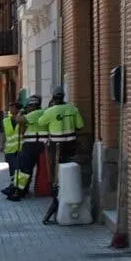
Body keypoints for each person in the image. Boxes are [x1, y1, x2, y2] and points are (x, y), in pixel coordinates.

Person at [38, 88, 85, 225]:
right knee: (71, 171)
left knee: (56, 174)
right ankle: (69, 190)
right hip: (71, 145)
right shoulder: (72, 109)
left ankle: (57, 195)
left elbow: (41, 122)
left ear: (53, 98)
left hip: (56, 147)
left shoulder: (50, 111)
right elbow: (80, 125)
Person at [8, 95, 46, 201]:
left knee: (25, 169)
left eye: (28, 106)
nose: (27, 109)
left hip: (32, 145)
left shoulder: (36, 113)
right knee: (27, 169)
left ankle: (20, 191)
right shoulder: (38, 114)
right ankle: (22, 189)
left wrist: (21, 112)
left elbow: (18, 119)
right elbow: (23, 131)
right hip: (37, 144)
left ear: (33, 106)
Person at [0, 101, 23, 197]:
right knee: (12, 169)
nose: (11, 110)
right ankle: (13, 186)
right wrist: (2, 145)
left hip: (19, 148)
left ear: (18, 109)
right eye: (10, 108)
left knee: (18, 169)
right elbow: (4, 134)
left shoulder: (22, 119)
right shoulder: (5, 121)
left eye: (13, 108)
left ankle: (16, 188)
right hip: (9, 149)